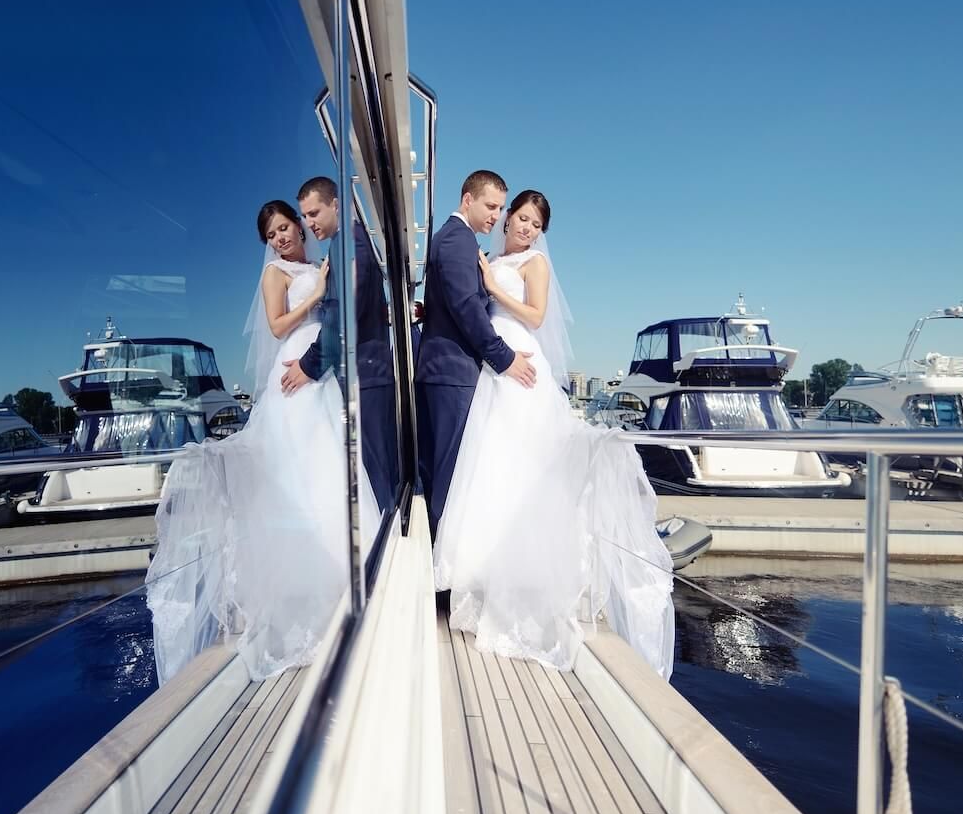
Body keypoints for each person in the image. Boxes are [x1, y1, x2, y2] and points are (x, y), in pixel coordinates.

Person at [431, 189, 674, 677]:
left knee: (523, 468)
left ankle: (523, 583)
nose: (525, 227)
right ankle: (482, 579)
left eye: (535, 223)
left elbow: (536, 316)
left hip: (517, 359)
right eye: (520, 218)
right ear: (506, 220)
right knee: (491, 470)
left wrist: (492, 288)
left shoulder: (534, 264)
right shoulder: (492, 256)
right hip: (491, 367)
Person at [145, 200, 381, 684]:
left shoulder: (319, 263)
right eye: (270, 234)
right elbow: (276, 326)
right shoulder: (277, 274)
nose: (279, 237)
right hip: (294, 369)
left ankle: (342, 585)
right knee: (294, 472)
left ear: (299, 225)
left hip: (321, 370)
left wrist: (322, 288)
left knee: (329, 466)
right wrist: (316, 297)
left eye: (284, 227)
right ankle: (298, 592)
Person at [415, 170, 534, 538]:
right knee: (449, 476)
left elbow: (452, 301)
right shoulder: (457, 241)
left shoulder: (454, 240)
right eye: (490, 206)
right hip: (452, 374)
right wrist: (505, 357)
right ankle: (441, 574)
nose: (496, 215)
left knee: (447, 473)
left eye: (500, 208)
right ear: (468, 200)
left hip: (445, 370)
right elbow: (467, 305)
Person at [288, 175, 398, 516]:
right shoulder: (351, 242)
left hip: (365, 375)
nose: (309, 222)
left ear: (336, 204)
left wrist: (308, 365)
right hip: (368, 372)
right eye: (304, 216)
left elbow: (342, 313)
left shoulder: (349, 244)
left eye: (315, 212)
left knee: (375, 475)